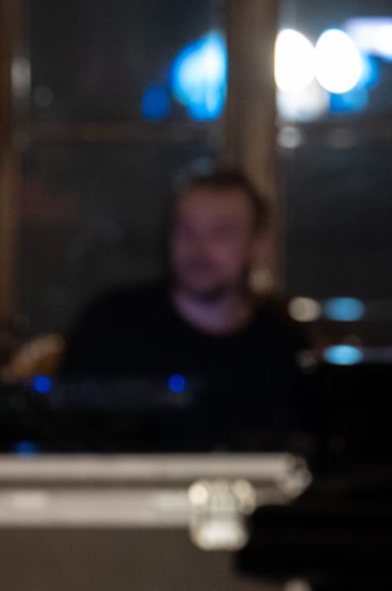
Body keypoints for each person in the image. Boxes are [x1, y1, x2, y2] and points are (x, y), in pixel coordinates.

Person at [59, 168, 304, 442]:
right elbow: (62, 439)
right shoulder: (109, 325)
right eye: (186, 230)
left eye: (221, 232)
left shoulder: (283, 346)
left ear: (259, 246)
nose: (199, 247)